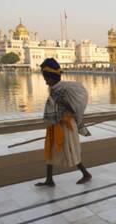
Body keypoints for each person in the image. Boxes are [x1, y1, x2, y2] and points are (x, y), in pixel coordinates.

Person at [35, 58, 92, 187]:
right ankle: (49, 179)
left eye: (47, 79)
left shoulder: (61, 90)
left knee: (70, 151)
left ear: (53, 77)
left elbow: (71, 107)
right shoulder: (55, 88)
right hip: (56, 124)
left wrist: (68, 114)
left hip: (66, 126)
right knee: (50, 150)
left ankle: (86, 174)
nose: (45, 82)